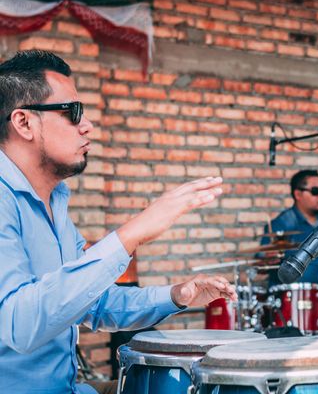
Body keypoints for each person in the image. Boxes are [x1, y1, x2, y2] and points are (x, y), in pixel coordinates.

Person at [0, 50, 237, 394]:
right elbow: (19, 325)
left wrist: (176, 295)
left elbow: (94, 304)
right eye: (72, 112)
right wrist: (130, 234)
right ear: (23, 123)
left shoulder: (55, 202)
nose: (87, 125)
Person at [261, 169, 318, 286]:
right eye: (315, 191)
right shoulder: (281, 224)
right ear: (298, 194)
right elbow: (262, 264)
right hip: (291, 300)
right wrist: (267, 259)